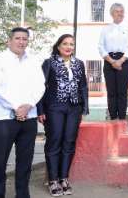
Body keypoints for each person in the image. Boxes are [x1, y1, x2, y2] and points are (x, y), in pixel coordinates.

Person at [0, 27, 45, 198]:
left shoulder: (33, 61)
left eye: (25, 39)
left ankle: (22, 195)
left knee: (25, 162)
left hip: (29, 118)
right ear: (9, 41)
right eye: (18, 38)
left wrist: (28, 106)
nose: (21, 42)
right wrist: (16, 107)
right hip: (4, 119)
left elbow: (40, 86)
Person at [37, 34, 89, 196]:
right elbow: (40, 87)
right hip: (54, 107)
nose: (68, 47)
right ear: (58, 46)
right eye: (65, 44)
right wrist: (40, 110)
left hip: (74, 108)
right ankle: (53, 180)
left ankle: (64, 178)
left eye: (71, 44)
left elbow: (83, 87)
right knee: (54, 141)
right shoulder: (49, 63)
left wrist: (84, 107)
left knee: (69, 142)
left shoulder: (79, 64)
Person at [98, 3, 128, 121]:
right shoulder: (106, 29)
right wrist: (112, 61)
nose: (120, 13)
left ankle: (122, 118)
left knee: (122, 92)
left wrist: (120, 61)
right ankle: (113, 117)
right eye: (117, 11)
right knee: (111, 91)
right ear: (112, 13)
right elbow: (101, 46)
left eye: (122, 11)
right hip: (109, 60)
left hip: (124, 61)